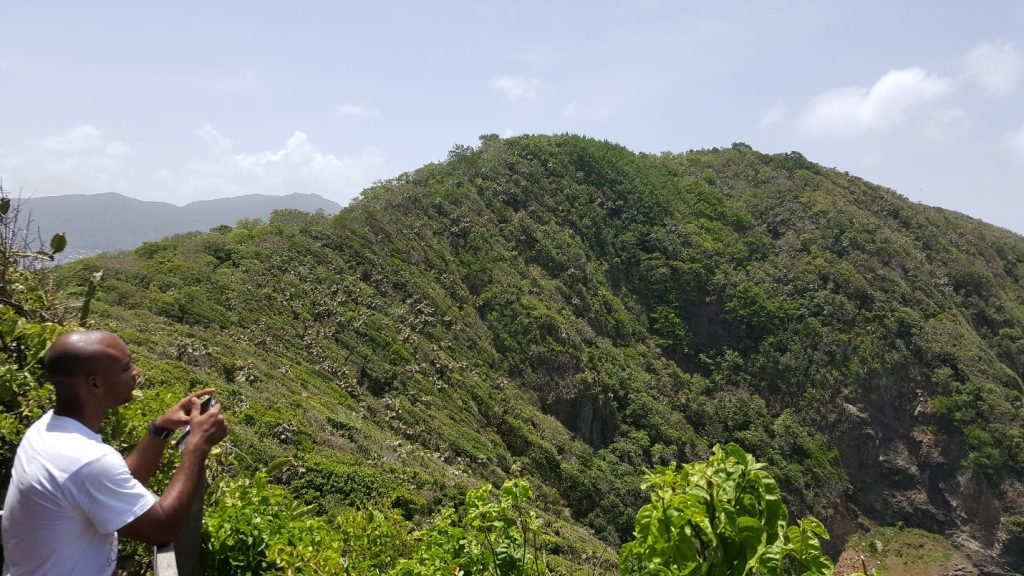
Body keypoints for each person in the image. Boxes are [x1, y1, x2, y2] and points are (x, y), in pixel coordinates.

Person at [1, 330, 228, 575]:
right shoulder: (85, 460)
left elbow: (113, 484)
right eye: (125, 367)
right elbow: (162, 528)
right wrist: (197, 447)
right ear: (94, 383)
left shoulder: (44, 431)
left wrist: (161, 428)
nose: (136, 372)